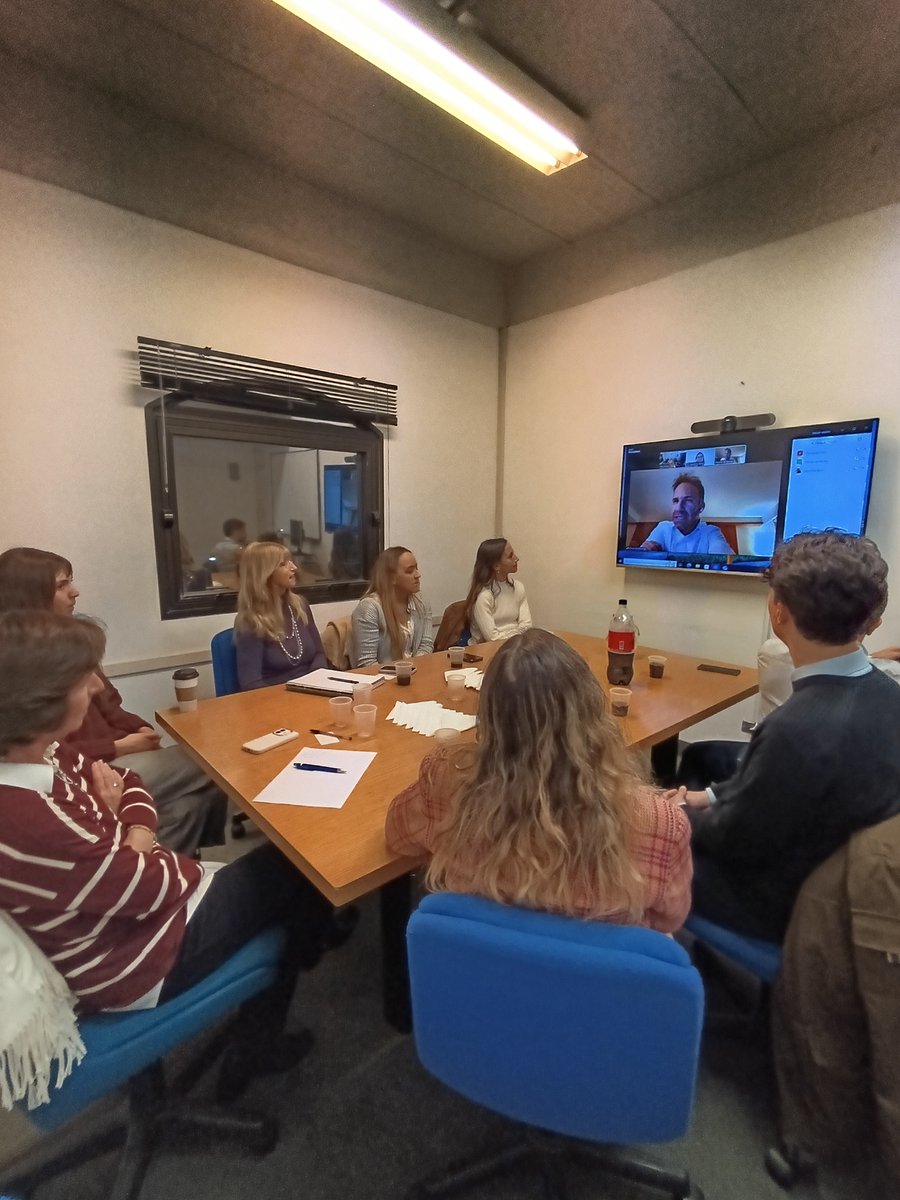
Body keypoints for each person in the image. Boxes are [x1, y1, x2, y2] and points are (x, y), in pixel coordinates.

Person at [0, 609, 348, 1101]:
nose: (97, 687)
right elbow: (152, 886)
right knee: (306, 867)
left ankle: (299, 951)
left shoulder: (45, 753)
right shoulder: (25, 816)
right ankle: (261, 1039)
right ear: (41, 700)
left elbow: (130, 781)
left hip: (131, 917)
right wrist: (139, 841)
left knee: (288, 881)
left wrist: (127, 830)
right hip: (133, 960)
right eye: (83, 679)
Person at [385, 630, 692, 932]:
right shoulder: (662, 826)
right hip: (594, 967)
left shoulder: (446, 783)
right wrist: (653, 807)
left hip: (482, 961)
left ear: (488, 717)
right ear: (591, 712)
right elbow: (670, 919)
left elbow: (397, 836)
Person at [678, 532, 900, 943]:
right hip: (845, 884)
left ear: (779, 611)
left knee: (640, 851)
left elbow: (732, 839)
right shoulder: (888, 696)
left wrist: (672, 814)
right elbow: (775, 791)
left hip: (784, 906)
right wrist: (707, 797)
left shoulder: (796, 729)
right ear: (873, 622)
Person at [0, 547, 227, 856]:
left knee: (188, 806)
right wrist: (121, 747)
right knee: (214, 760)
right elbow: (48, 752)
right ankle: (140, 861)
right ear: (30, 594)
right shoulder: (22, 664)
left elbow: (111, 707)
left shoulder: (72, 643)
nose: (75, 592)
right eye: (62, 585)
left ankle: (152, 864)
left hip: (110, 757)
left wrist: (142, 731)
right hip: (88, 770)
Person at [234, 541, 327, 690]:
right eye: (283, 564)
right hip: (274, 696)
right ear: (265, 574)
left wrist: (313, 685)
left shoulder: (300, 605)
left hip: (311, 689)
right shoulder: (251, 621)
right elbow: (251, 683)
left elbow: (319, 654)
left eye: (291, 561)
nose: (294, 567)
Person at [350, 546, 434, 667]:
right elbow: (366, 663)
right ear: (392, 578)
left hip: (415, 672)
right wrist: (401, 672)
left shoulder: (422, 602)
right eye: (410, 571)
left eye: (417, 568)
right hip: (382, 676)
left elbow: (426, 645)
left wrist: (413, 668)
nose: (418, 575)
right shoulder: (369, 608)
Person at [640, 473, 733, 555]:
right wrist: (644, 551)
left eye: (688, 500)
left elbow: (727, 561)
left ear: (701, 506)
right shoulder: (663, 528)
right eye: (676, 501)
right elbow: (642, 557)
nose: (679, 508)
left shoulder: (711, 533)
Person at [465, 537, 532, 643]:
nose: (516, 558)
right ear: (496, 566)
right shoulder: (483, 595)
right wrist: (518, 634)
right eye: (510, 556)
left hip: (515, 645)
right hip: (485, 649)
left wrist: (514, 636)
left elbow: (527, 626)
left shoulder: (518, 587)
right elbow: (492, 638)